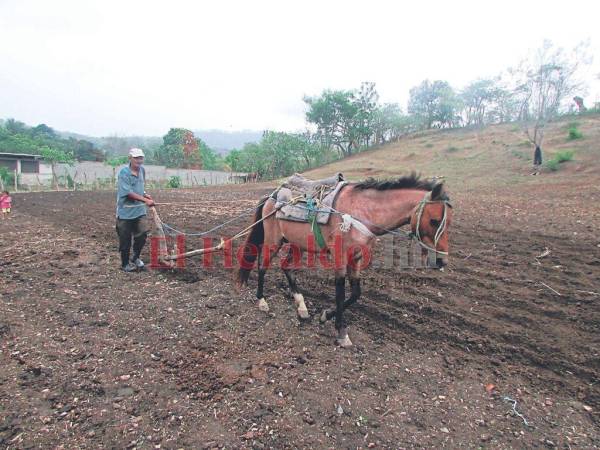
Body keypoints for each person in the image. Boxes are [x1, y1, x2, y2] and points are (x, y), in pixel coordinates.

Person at [116, 148, 155, 272]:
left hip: (139, 211)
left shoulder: (142, 171)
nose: (139, 160)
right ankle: (125, 264)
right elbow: (128, 192)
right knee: (125, 239)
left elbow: (139, 187)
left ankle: (135, 257)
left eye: (141, 158)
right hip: (125, 212)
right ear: (130, 158)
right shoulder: (124, 173)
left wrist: (145, 194)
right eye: (136, 158)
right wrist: (145, 201)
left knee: (142, 234)